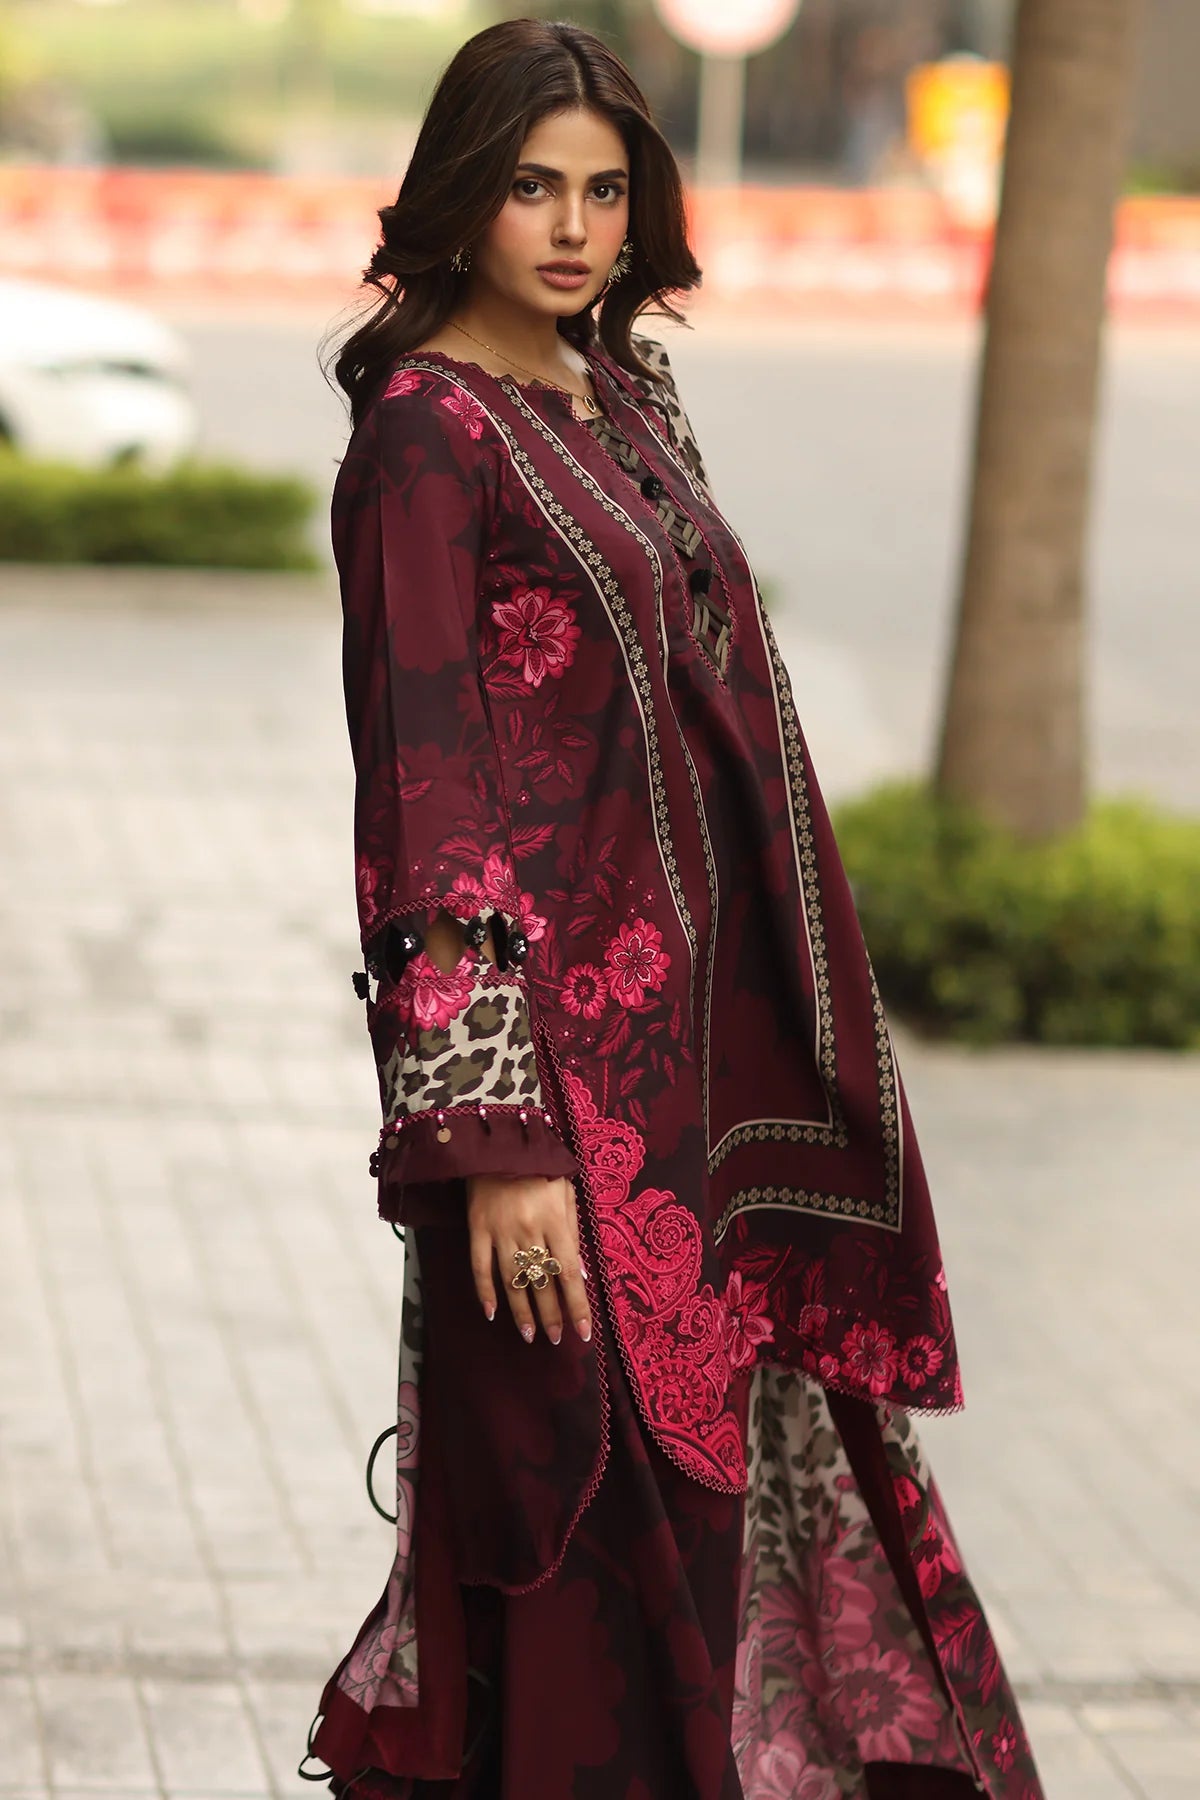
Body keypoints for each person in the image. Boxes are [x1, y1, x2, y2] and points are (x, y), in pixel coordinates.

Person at [303, 19, 1044, 1799]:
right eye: (531, 186)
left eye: (605, 189)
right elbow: (427, 795)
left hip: (714, 1103)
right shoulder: (427, 435)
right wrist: (491, 1134)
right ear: (457, 197)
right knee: (585, 1592)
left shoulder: (621, 393)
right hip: (559, 1113)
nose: (570, 226)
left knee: (740, 1563)